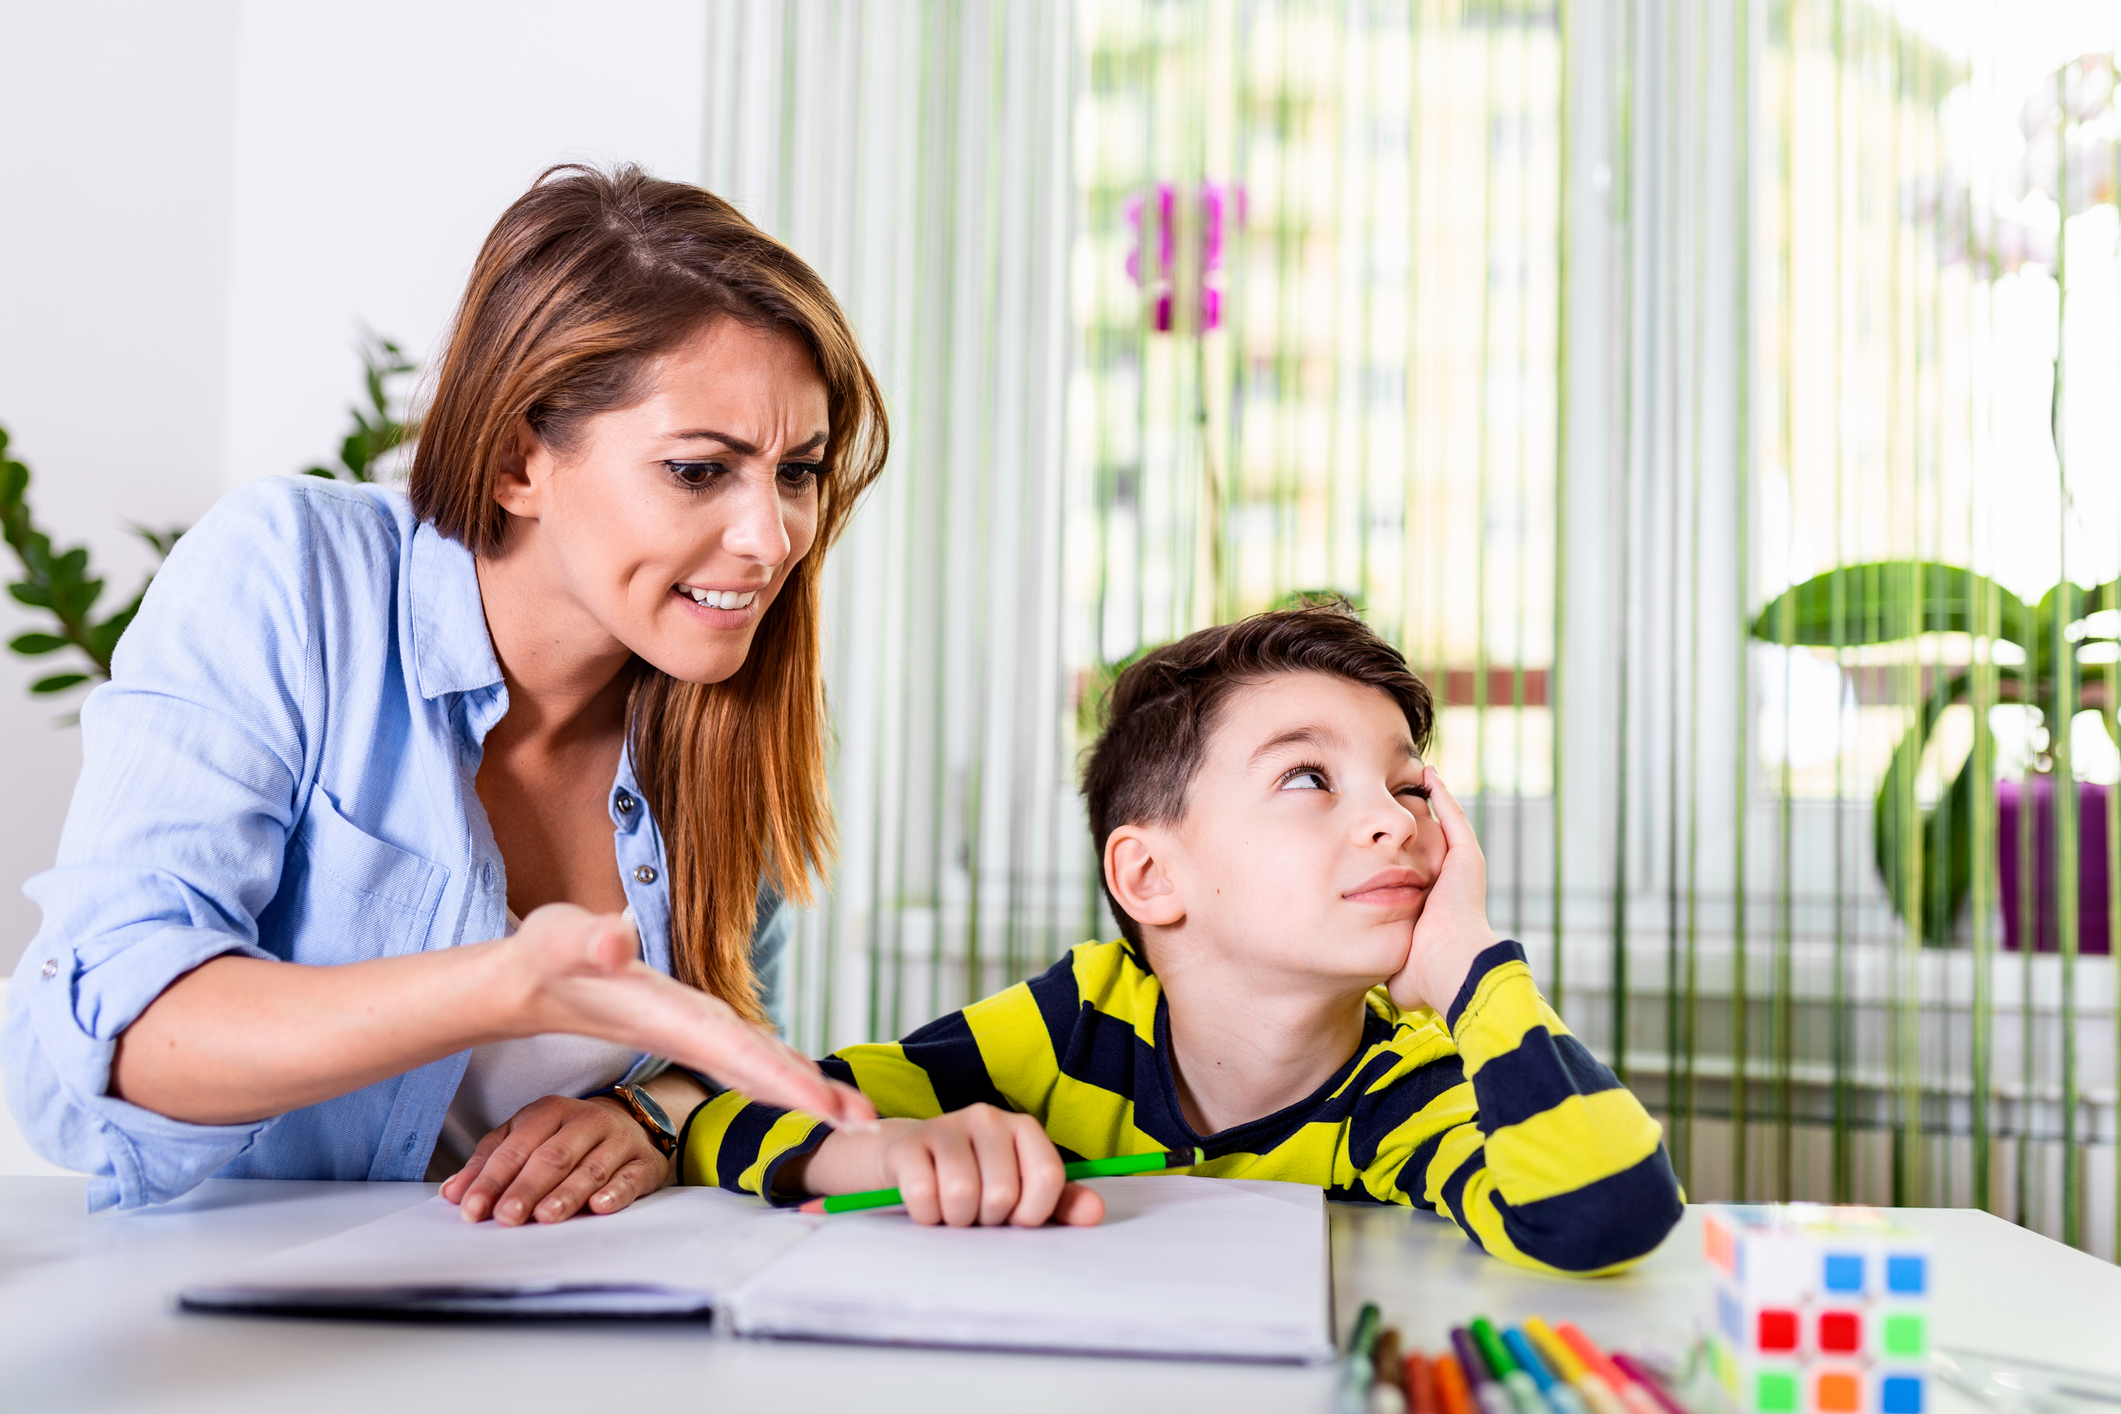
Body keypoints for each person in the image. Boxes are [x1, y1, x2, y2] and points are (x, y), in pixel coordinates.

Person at [4, 165, 879, 1221]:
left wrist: (654, 1118)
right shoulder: (289, 579)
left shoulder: (738, 709)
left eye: (799, 472)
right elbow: (106, 1033)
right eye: (700, 470)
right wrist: (495, 985)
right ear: (519, 460)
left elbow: (740, 1048)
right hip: (245, 1327)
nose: (771, 538)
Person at [683, 603, 1684, 1274]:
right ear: (1148, 876)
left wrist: (1473, 970)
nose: (1395, 820)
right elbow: (729, 1116)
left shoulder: (1404, 1090)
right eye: (1308, 777)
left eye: (1409, 785)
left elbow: (1605, 1210)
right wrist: (890, 1152)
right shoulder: (1074, 1023)